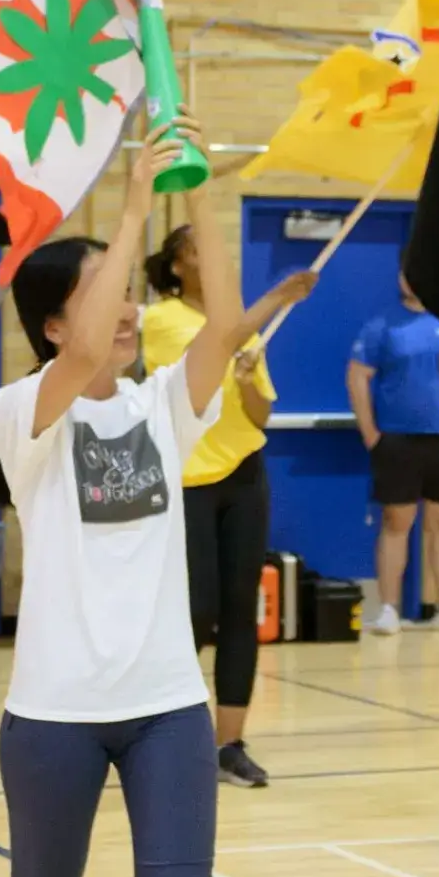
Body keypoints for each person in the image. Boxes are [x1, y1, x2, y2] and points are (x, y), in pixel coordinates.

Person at [0, 120, 278, 877]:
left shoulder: (163, 410)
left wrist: (197, 190)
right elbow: (91, 351)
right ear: (54, 323)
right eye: (105, 293)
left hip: (166, 708)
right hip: (53, 711)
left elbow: (226, 325)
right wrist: (133, 198)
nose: (130, 309)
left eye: (129, 291)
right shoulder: (23, 415)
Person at [140, 225, 316, 789]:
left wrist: (248, 383)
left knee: (241, 610)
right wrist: (279, 296)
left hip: (244, 473)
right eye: (200, 249)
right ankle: (160, 735)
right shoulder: (163, 319)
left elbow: (260, 414)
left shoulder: (240, 328)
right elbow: (214, 346)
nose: (216, 258)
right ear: (175, 268)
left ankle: (229, 744)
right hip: (188, 477)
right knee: (194, 611)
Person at [348, 272, 439, 634]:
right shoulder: (381, 325)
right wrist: (371, 434)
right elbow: (357, 376)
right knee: (396, 523)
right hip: (398, 441)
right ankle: (388, 609)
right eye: (406, 272)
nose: (412, 279)